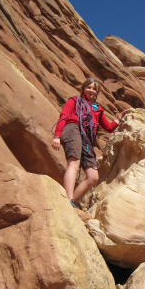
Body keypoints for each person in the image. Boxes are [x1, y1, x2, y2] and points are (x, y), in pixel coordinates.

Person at [51, 77, 128, 209]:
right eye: (89, 87)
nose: (91, 90)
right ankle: (68, 199)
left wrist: (118, 119)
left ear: (97, 92)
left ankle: (73, 200)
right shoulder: (74, 100)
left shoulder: (97, 109)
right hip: (73, 128)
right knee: (74, 164)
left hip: (87, 139)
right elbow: (63, 116)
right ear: (83, 88)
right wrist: (57, 136)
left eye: (94, 89)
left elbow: (108, 127)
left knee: (93, 176)